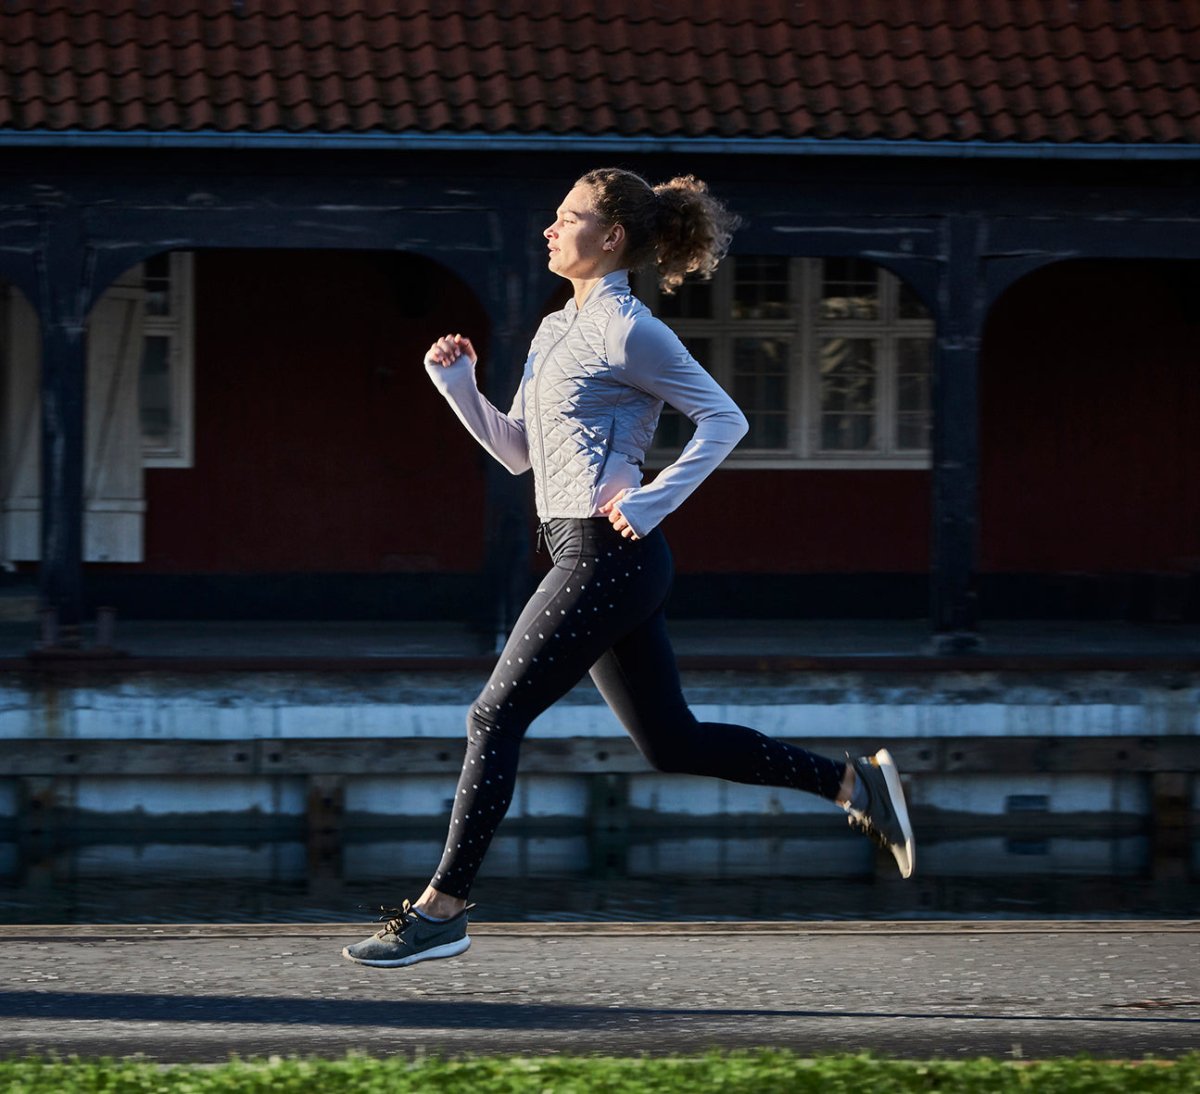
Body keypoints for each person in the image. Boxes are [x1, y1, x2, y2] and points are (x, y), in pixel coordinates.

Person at [343, 167, 914, 968]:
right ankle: (856, 786)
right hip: (593, 554)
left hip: (609, 554)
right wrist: (458, 388)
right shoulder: (553, 330)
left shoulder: (629, 329)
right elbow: (518, 456)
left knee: (491, 717)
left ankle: (443, 910)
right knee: (670, 741)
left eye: (566, 217)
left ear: (609, 239)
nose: (549, 229)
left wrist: (653, 499)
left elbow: (727, 418)